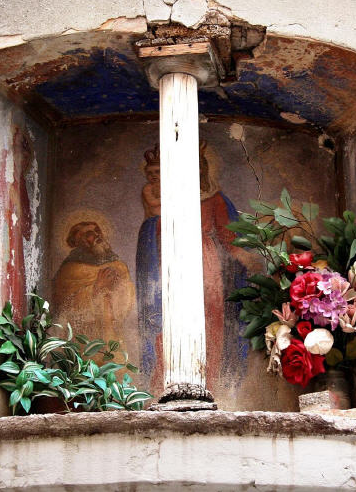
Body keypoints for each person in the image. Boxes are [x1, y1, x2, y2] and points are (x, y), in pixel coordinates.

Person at [136, 141, 252, 394]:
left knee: (208, 319)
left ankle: (207, 385)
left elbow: (230, 237)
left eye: (197, 168)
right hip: (170, 260)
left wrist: (251, 260)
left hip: (204, 263)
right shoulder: (160, 195)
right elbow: (153, 224)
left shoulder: (214, 198)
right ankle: (164, 385)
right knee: (168, 318)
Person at [53, 221, 135, 347]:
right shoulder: (70, 270)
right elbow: (64, 307)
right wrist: (97, 288)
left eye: (98, 231)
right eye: (90, 234)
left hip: (112, 333)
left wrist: (116, 287)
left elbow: (128, 300)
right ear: (80, 241)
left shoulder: (118, 266)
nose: (97, 235)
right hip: (83, 338)